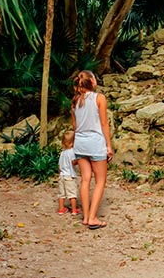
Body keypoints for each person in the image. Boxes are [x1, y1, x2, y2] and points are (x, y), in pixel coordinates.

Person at [71, 70, 113, 230]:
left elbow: (75, 127)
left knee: (85, 179)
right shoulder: (99, 98)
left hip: (80, 144)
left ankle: (86, 216)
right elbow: (104, 123)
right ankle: (93, 217)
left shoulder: (74, 101)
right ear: (92, 82)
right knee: (100, 181)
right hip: (95, 143)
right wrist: (108, 145)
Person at [57, 130, 80, 215]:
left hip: (62, 176)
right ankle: (74, 210)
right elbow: (73, 162)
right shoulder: (72, 152)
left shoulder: (62, 153)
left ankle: (61, 209)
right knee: (72, 194)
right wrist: (79, 161)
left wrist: (60, 173)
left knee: (61, 194)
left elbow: (59, 166)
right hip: (69, 176)